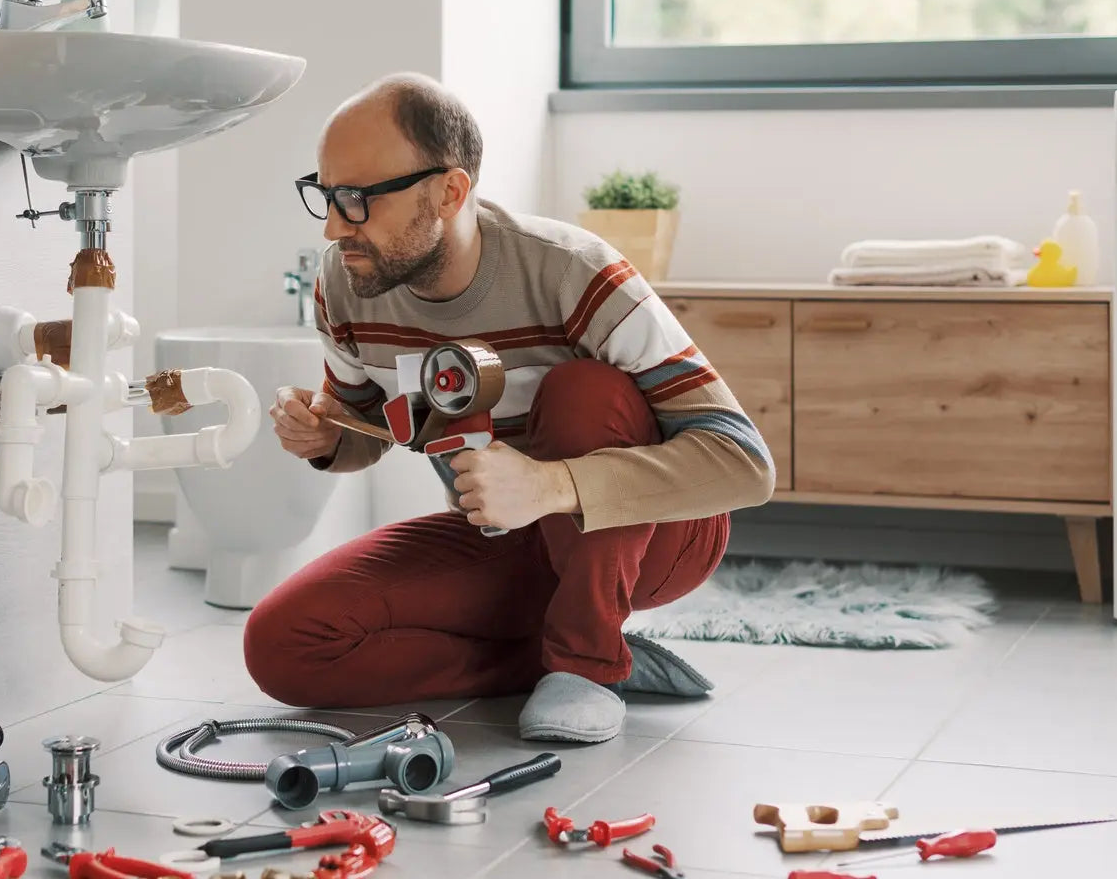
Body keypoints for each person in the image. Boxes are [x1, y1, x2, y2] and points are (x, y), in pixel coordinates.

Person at [244, 72, 774, 743]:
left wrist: (551, 484)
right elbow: (366, 429)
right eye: (324, 195)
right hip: (501, 536)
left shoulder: (575, 271)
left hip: (653, 539)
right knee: (284, 642)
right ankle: (567, 656)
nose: (332, 225)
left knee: (586, 392)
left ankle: (586, 665)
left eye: (355, 200)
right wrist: (322, 434)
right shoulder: (346, 280)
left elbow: (745, 466)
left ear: (450, 191)